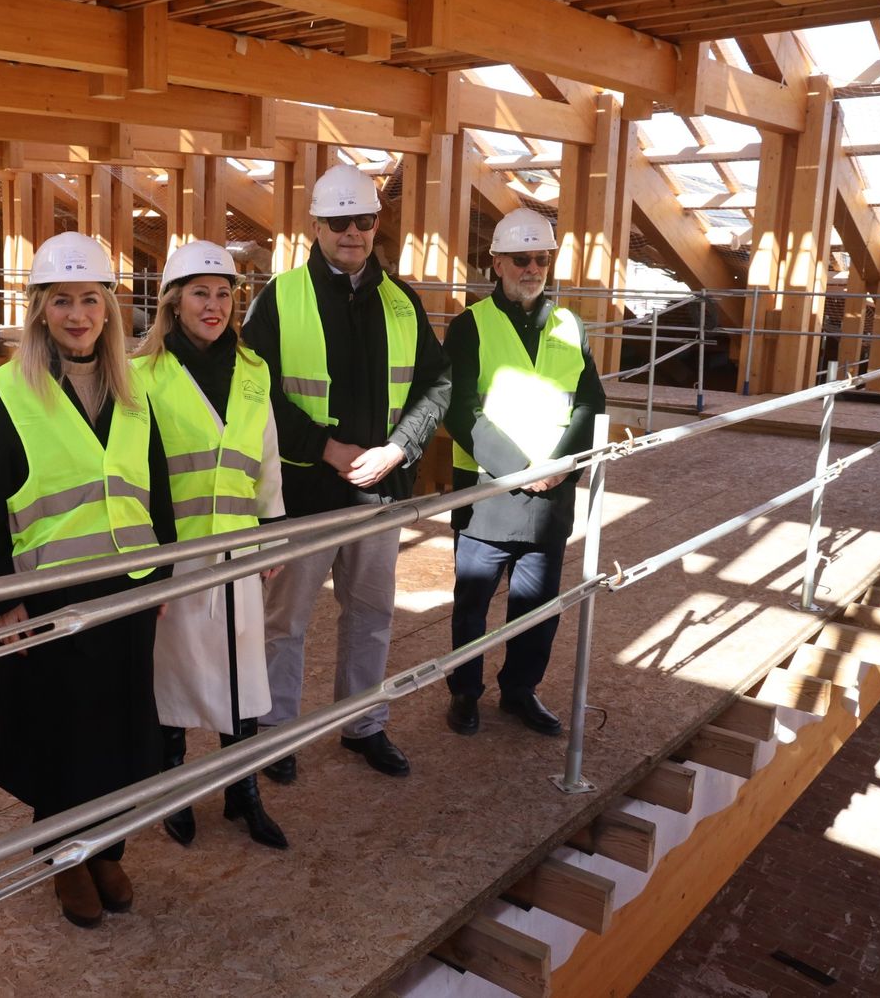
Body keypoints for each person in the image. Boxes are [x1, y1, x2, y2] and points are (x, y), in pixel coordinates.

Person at [0, 231, 175, 930]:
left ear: (109, 308)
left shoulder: (132, 388)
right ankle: (63, 857)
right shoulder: (8, 393)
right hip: (52, 592)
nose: (78, 315)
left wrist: (163, 576)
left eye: (90, 299)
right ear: (40, 310)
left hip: (128, 584)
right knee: (63, 733)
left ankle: (108, 848)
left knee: (122, 728)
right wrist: (2, 604)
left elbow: (156, 488)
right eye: (62, 301)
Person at [242, 164, 450, 783]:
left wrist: (400, 450)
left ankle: (364, 724)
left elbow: (435, 385)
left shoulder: (401, 302)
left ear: (376, 223)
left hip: (379, 492)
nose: (351, 232)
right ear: (316, 226)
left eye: (362, 219)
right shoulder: (279, 299)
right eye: (338, 222)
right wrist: (325, 448)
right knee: (284, 623)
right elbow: (255, 394)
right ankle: (275, 734)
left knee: (371, 614)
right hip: (305, 494)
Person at [133, 240, 288, 851]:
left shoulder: (253, 371)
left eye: (224, 294)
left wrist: (272, 533)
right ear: (173, 301)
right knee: (172, 675)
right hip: (174, 553)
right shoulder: (142, 375)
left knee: (241, 672)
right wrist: (145, 563)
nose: (214, 305)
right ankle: (174, 788)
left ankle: (242, 791)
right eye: (200, 293)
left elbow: (267, 458)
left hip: (239, 550)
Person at [442, 208, 606, 737]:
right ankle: (465, 692)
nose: (532, 268)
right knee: (472, 605)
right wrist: (519, 470)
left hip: (550, 495)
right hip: (488, 495)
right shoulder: (470, 326)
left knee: (537, 607)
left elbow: (590, 402)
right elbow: (459, 410)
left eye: (541, 258)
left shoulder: (569, 325)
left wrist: (562, 465)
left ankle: (519, 690)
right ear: (496, 263)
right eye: (520, 259)